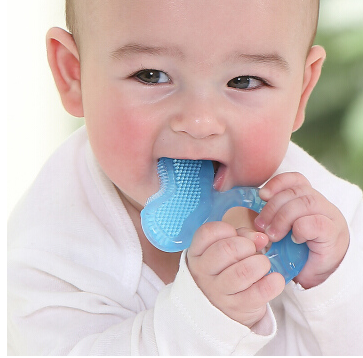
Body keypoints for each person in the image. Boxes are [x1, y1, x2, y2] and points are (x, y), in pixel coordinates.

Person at [7, 0, 363, 355]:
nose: (199, 122)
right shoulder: (50, 249)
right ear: (74, 75)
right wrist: (204, 320)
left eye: (244, 81)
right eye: (151, 75)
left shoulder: (323, 219)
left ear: (301, 90)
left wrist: (332, 283)